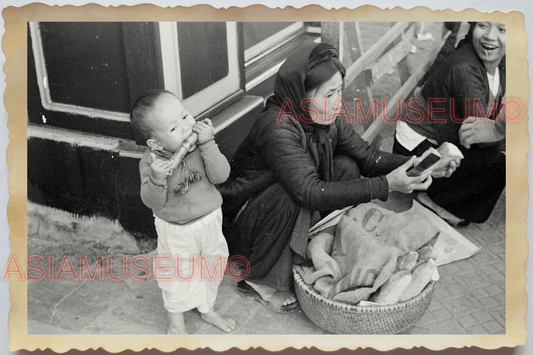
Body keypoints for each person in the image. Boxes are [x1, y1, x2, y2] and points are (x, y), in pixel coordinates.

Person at [219, 42, 458, 313]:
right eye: (329, 94)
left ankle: (311, 243)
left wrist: (419, 165)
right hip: (247, 222)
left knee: (347, 167)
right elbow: (308, 192)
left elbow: (368, 156)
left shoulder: (327, 115)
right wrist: (388, 185)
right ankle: (255, 278)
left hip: (280, 207)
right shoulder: (278, 126)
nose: (337, 102)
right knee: (292, 195)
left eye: (339, 91)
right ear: (300, 96)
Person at [130, 90, 235, 334]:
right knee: (177, 276)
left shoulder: (201, 145)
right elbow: (152, 202)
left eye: (185, 116)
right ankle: (176, 326)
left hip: (209, 220)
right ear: (155, 143)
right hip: (176, 230)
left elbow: (221, 176)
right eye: (174, 128)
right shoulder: (151, 163)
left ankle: (206, 308)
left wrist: (209, 143)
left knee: (213, 266)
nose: (187, 127)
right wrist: (157, 178)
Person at [394, 22, 506, 226]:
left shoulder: (499, 60)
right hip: (417, 157)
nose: (490, 36)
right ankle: (437, 199)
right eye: (483, 25)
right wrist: (501, 130)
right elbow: (478, 136)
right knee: (505, 155)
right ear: (473, 26)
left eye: (502, 29)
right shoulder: (466, 70)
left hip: (447, 135)